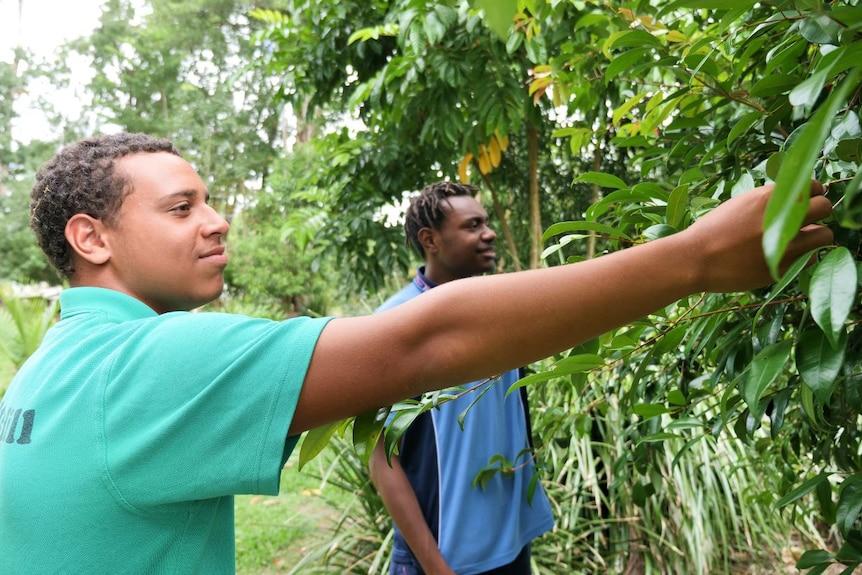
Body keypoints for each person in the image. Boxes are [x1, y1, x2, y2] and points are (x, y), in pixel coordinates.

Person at [0, 132, 833, 574]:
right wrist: (694, 260)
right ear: (92, 237)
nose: (218, 221)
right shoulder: (146, 363)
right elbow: (423, 342)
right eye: (183, 208)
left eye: (210, 202)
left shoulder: (46, 372)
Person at [369, 181, 553, 575]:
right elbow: (382, 460)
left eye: (485, 222)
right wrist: (435, 567)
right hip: (442, 558)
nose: (488, 233)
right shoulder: (394, 325)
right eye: (472, 226)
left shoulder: (503, 310)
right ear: (430, 240)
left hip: (511, 546)